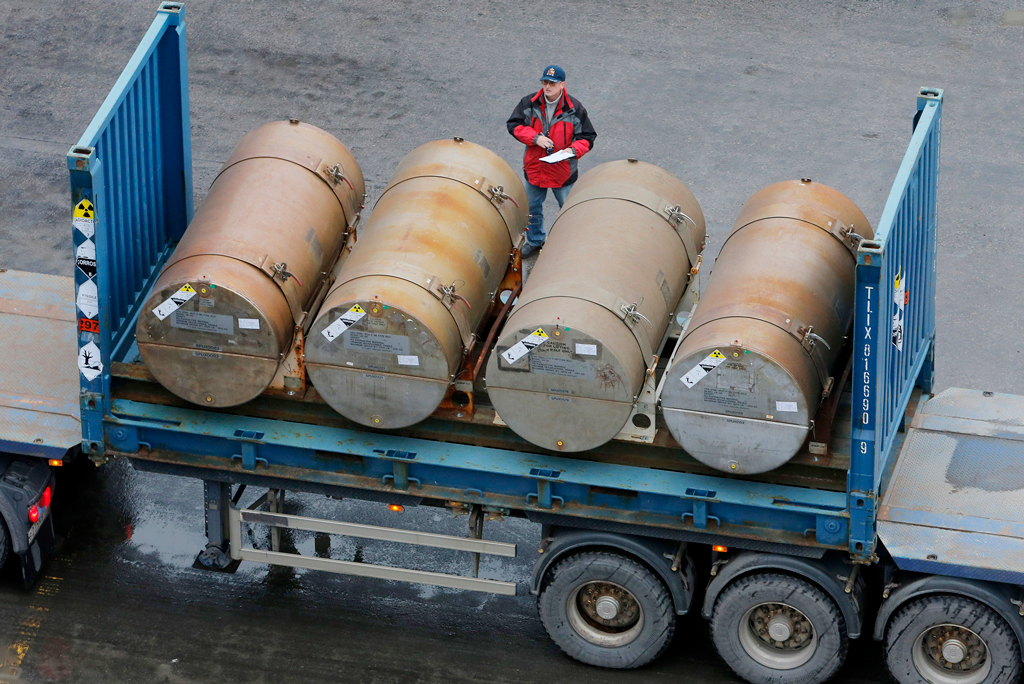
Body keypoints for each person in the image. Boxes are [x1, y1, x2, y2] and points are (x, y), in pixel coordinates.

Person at [506, 65, 597, 257]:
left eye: (552, 83)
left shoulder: (575, 109)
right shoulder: (529, 103)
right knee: (531, 210)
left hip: (562, 172)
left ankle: (570, 245)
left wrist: (573, 150)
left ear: (562, 85)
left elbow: (587, 137)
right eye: (545, 82)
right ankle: (535, 240)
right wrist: (534, 138)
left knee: (569, 212)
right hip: (535, 169)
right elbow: (514, 125)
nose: (547, 87)